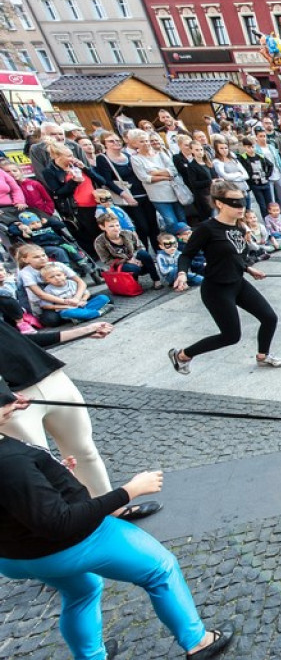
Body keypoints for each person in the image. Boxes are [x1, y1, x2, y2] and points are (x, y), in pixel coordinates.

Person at [0, 397, 234, 659]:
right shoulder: (10, 461)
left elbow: (17, 495)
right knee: (160, 568)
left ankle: (92, 657)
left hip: (15, 555)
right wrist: (129, 491)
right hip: (69, 545)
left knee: (82, 591)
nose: (11, 402)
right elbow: (58, 522)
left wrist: (50, 478)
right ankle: (198, 642)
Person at [0, 318, 162, 518]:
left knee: (85, 452)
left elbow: (16, 340)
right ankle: (72, 523)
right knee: (41, 468)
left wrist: (82, 331)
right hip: (12, 400)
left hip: (51, 378)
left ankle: (112, 510)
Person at [168, 180, 281, 374]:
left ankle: (263, 357)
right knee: (231, 336)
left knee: (269, 318)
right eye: (234, 202)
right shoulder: (207, 228)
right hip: (216, 289)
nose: (240, 207)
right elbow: (187, 254)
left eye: (242, 202)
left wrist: (248, 269)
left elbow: (236, 255)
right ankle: (182, 355)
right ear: (219, 203)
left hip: (238, 283)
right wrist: (182, 274)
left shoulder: (239, 228)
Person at [93, 213, 163, 288]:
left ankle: (156, 280)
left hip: (135, 258)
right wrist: (126, 261)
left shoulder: (127, 233)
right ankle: (134, 282)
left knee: (144, 254)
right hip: (121, 264)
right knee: (132, 268)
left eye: (117, 225)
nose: (116, 228)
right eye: (111, 226)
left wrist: (134, 258)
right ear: (102, 227)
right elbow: (106, 260)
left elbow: (140, 247)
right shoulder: (99, 242)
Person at [38, 263, 111, 322]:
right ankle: (99, 312)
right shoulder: (48, 290)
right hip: (67, 310)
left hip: (82, 305)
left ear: (65, 275)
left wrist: (83, 300)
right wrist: (66, 306)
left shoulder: (72, 283)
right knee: (69, 313)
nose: (57, 278)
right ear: (47, 280)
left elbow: (86, 293)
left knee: (103, 298)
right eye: (52, 277)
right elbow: (46, 306)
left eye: (59, 275)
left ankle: (82, 316)